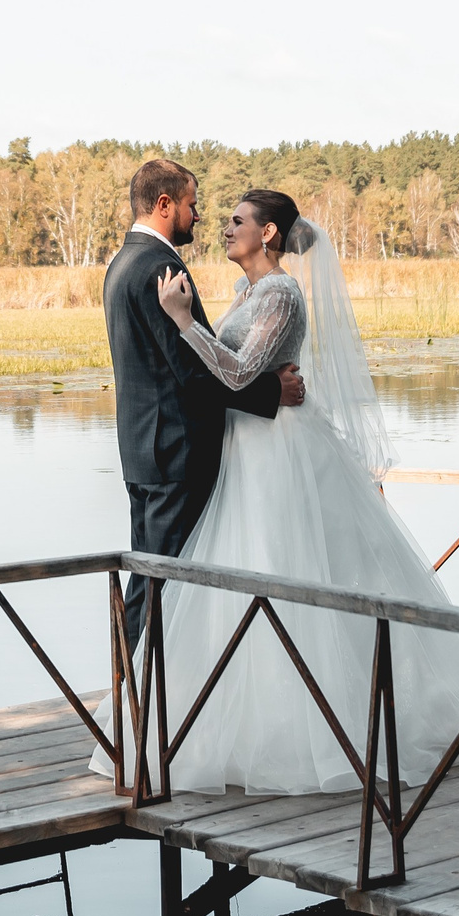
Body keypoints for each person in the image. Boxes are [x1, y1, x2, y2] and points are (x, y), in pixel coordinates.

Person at [147, 187, 459, 793]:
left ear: (267, 233)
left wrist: (182, 321)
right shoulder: (247, 291)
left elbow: (238, 374)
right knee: (253, 568)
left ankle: (331, 723)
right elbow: (232, 368)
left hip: (282, 448)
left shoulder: (282, 293)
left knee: (291, 567)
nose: (225, 228)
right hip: (249, 446)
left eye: (237, 221)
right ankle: (259, 719)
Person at [105, 158, 304, 652]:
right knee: (165, 586)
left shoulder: (123, 262)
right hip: (176, 452)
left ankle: (137, 683)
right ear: (165, 204)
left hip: (143, 448)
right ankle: (144, 685)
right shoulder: (162, 267)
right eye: (192, 205)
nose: (200, 217)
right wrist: (272, 392)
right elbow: (192, 372)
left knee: (149, 580)